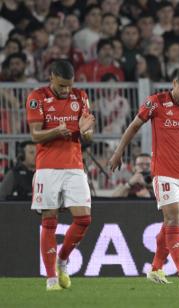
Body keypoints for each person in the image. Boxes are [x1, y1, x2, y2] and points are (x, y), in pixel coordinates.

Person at [108, 67, 179, 285]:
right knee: (173, 219)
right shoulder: (156, 102)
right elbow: (134, 125)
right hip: (164, 172)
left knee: (172, 223)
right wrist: (118, 152)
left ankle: (156, 268)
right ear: (174, 83)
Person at [25, 60, 96, 291]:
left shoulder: (80, 96)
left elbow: (88, 137)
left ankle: (62, 259)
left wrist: (86, 133)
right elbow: (35, 136)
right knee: (49, 221)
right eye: (62, 85)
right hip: (47, 168)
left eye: (69, 86)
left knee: (84, 219)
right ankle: (51, 278)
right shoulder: (37, 97)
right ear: (51, 77)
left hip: (74, 167)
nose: (66, 90)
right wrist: (57, 130)